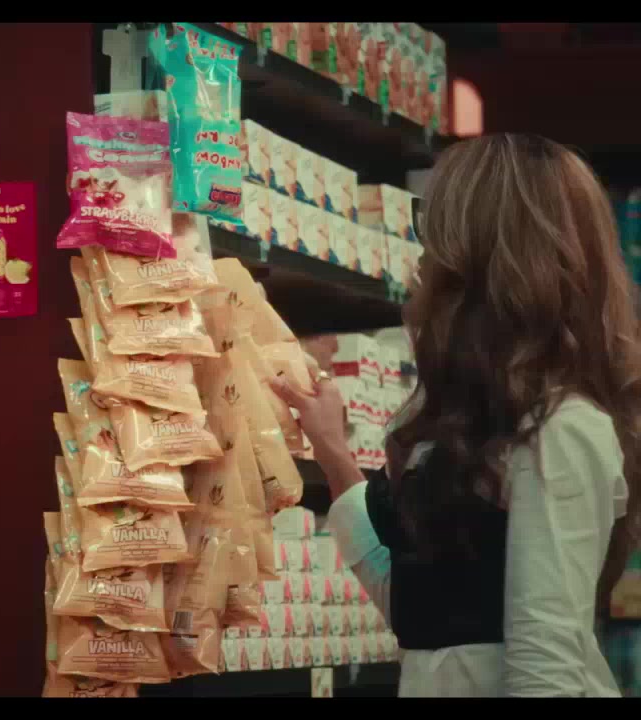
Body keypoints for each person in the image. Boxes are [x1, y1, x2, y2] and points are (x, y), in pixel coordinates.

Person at [272, 133, 640, 697]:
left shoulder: (562, 428)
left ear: (482, 252)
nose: (423, 248)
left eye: (436, 222)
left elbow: (546, 667)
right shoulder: (448, 421)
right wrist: (332, 451)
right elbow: (420, 619)